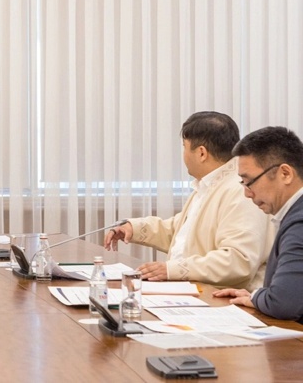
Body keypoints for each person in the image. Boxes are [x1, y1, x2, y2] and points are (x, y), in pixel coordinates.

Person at [104, 112, 272, 289]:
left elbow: (238, 261)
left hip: (220, 298)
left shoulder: (240, 191)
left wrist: (171, 270)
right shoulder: (210, 184)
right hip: (194, 291)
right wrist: (134, 228)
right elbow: (183, 234)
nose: (183, 155)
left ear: (201, 153)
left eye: (185, 147)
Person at [213, 127, 303, 322]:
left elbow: (284, 303)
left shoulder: (299, 222)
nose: (247, 193)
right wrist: (259, 296)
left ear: (285, 173)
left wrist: (257, 297)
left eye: (249, 181)